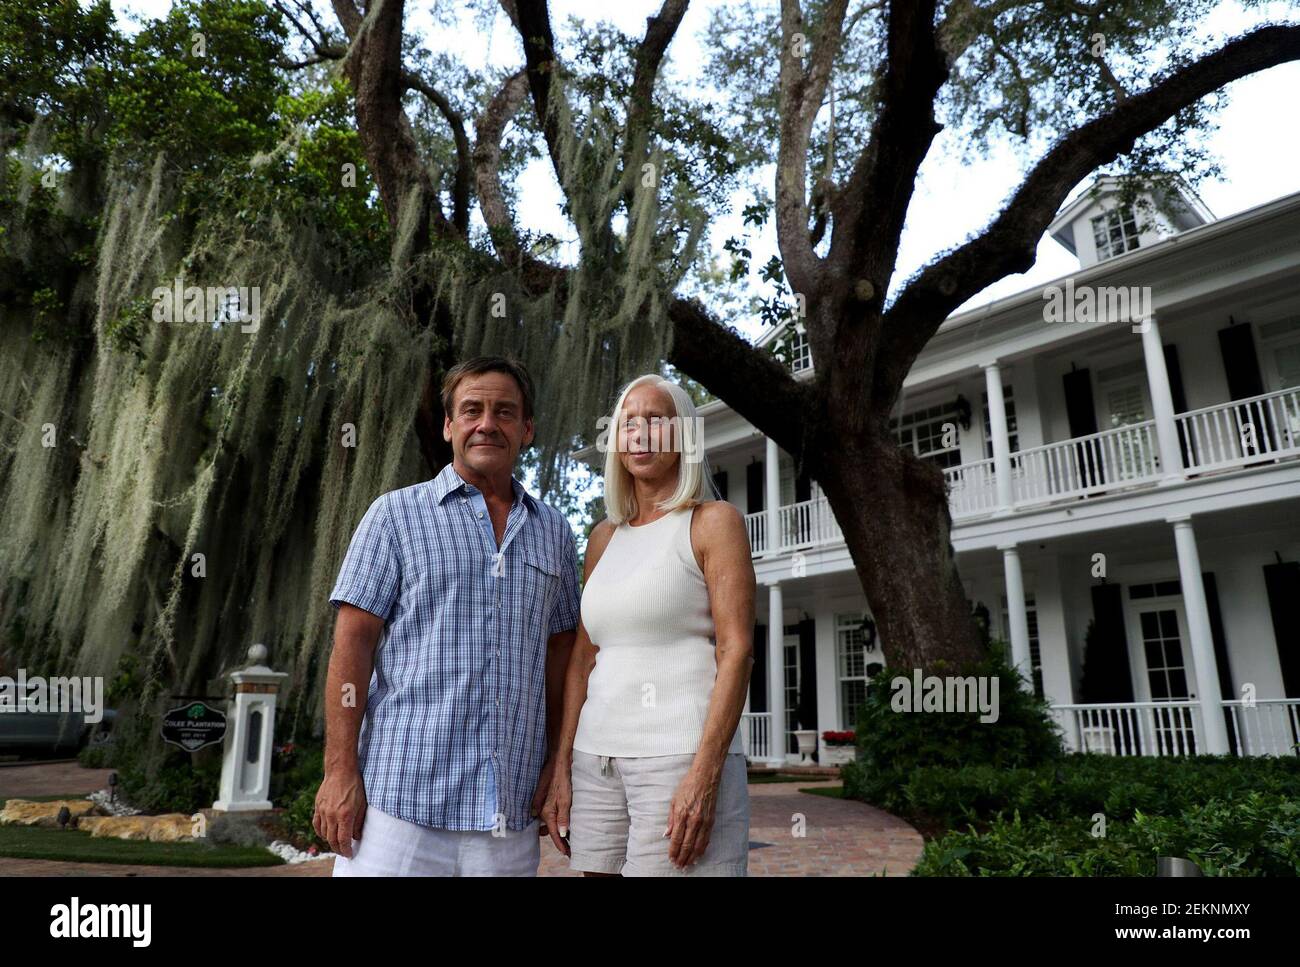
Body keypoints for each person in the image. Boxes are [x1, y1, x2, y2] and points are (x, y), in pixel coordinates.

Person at [317, 356, 580, 876]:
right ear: (448, 426)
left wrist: (557, 762)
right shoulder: (394, 515)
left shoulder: (555, 532)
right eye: (471, 410)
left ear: (526, 429)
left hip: (507, 813)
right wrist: (339, 770)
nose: (487, 423)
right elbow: (353, 643)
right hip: (399, 806)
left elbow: (562, 656)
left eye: (505, 412)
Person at [542, 373, 756, 876]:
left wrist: (704, 775)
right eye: (628, 423)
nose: (639, 434)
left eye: (656, 421)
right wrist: (563, 767)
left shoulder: (713, 522)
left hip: (678, 756)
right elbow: (582, 658)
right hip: (596, 760)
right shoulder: (601, 538)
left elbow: (737, 652)